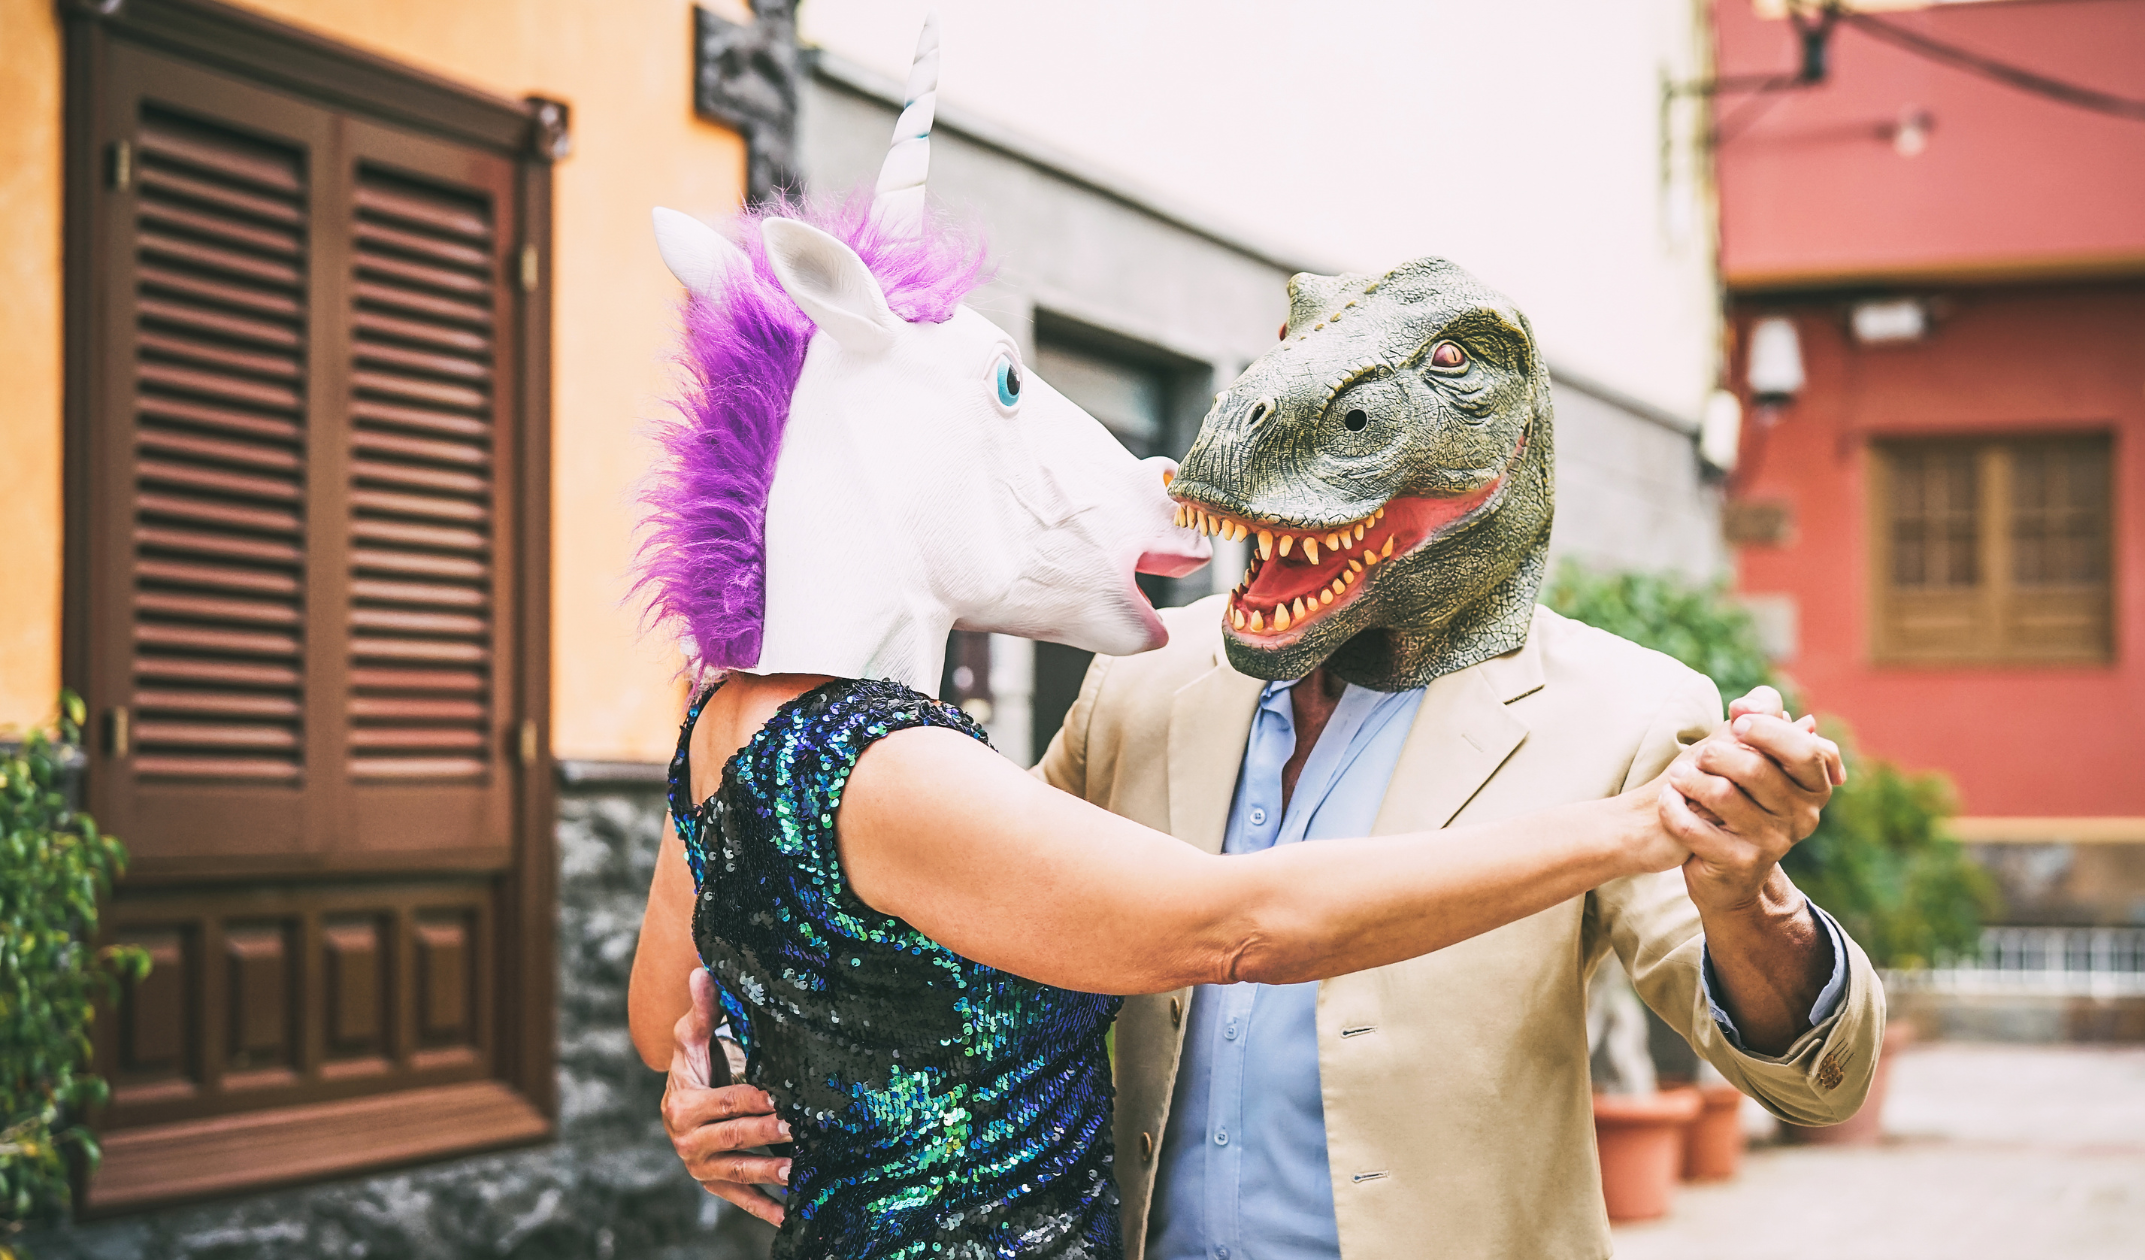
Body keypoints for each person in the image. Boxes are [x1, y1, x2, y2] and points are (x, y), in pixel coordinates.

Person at [648, 244, 1886, 1259]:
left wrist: (1747, 897)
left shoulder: (1630, 711)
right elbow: (954, 940)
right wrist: (748, 1079)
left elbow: (1811, 1080)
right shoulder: (1137, 674)